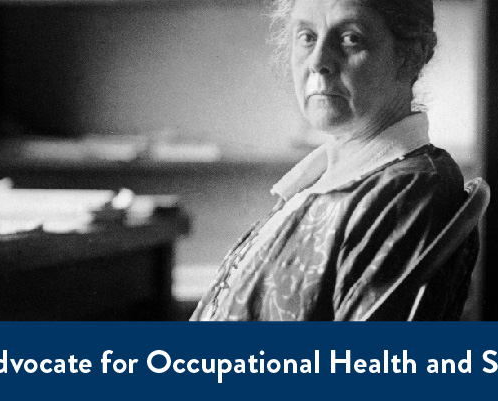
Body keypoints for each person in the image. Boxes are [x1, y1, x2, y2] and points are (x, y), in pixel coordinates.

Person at [191, 0, 474, 321]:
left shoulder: (408, 189)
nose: (318, 62)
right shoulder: (330, 176)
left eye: (350, 38)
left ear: (412, 55)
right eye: (307, 37)